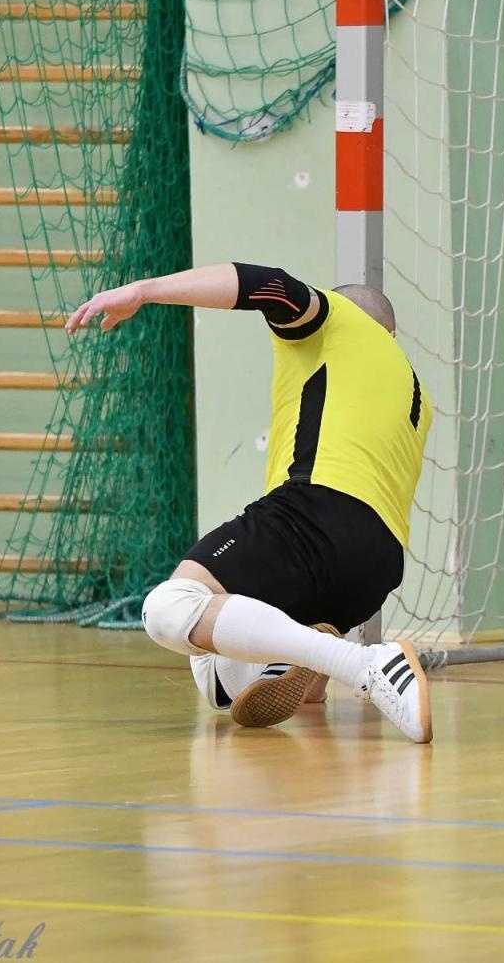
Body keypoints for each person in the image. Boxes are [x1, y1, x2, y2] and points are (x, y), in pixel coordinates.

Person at [65, 262, 435, 743]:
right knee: (221, 682)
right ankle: (305, 657)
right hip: (375, 570)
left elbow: (265, 284)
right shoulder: (416, 393)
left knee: (170, 608)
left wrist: (143, 290)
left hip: (312, 515)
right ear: (394, 332)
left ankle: (365, 663)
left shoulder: (336, 320)